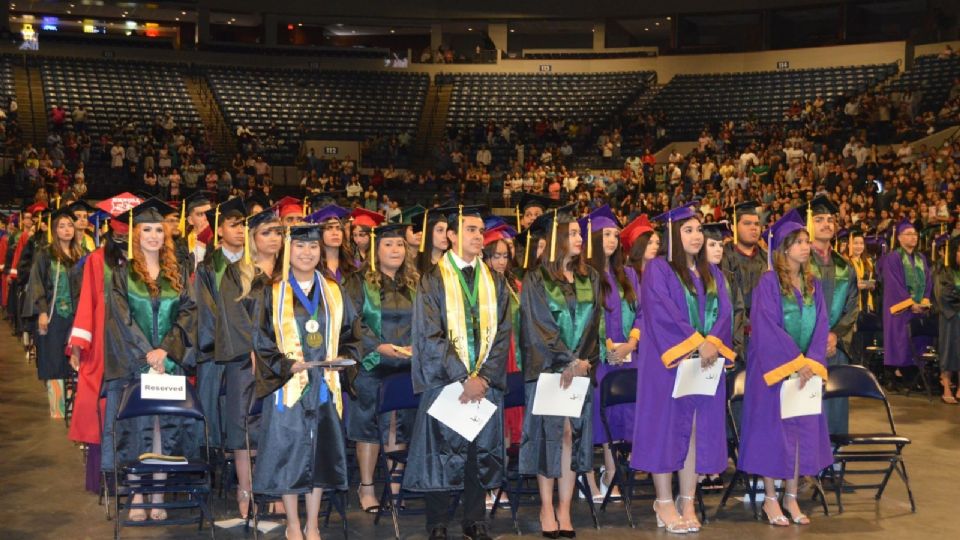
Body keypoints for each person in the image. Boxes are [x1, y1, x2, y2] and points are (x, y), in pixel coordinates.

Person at [404, 205, 511, 540]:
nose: (479, 236)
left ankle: (475, 520)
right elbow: (429, 334)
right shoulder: (432, 280)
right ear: (451, 235)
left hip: (484, 383)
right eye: (471, 230)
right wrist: (463, 377)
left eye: (481, 230)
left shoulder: (495, 280)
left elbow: (504, 332)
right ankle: (437, 522)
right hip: (446, 382)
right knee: (441, 453)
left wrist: (485, 378)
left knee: (476, 452)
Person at [251, 223, 364, 540]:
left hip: (325, 385)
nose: (307, 253)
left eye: (313, 247)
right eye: (300, 247)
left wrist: (344, 360)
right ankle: (293, 524)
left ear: (321, 251)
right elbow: (261, 341)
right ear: (288, 251)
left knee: (319, 455)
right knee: (290, 455)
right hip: (290, 386)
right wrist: (287, 364)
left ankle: (313, 524)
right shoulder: (272, 293)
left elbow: (353, 333)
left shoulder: (334, 291)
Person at [630, 203, 736, 534]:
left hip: (703, 365)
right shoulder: (659, 270)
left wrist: (712, 344)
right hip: (667, 365)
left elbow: (726, 314)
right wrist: (696, 343)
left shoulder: (713, 273)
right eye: (688, 230)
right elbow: (661, 314)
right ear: (674, 235)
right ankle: (663, 501)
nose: (696, 235)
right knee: (665, 429)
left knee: (695, 428)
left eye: (699, 229)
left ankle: (687, 500)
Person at [101, 198, 198, 522]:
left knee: (163, 428)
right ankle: (137, 493)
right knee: (134, 427)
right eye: (147, 229)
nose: (154, 235)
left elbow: (188, 314)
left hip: (168, 365)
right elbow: (120, 319)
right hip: (134, 363)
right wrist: (147, 355)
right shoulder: (121, 274)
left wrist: (166, 352)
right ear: (135, 234)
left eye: (159, 229)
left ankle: (157, 494)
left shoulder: (178, 273)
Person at [738, 210, 832, 527]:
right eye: (799, 242)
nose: (806, 247)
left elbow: (821, 324)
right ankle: (771, 499)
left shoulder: (812, 284)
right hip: (773, 372)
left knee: (800, 433)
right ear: (784, 248)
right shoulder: (768, 283)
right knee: (773, 434)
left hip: (804, 371)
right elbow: (766, 327)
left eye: (807, 241)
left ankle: (791, 497)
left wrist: (812, 361)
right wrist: (795, 361)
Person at [519, 206, 602, 538]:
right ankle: (545, 507)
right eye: (572, 233)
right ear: (555, 240)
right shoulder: (536, 279)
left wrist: (583, 362)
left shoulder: (590, 277)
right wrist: (567, 360)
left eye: (579, 233)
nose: (579, 238)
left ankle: (565, 509)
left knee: (572, 437)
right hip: (548, 371)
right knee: (549, 437)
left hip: (579, 371)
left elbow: (593, 324)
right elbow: (538, 325)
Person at [67, 193, 141, 495]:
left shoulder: (144, 257)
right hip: (104, 343)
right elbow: (88, 302)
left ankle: (140, 474)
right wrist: (78, 345)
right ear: (111, 226)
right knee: (105, 406)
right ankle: (109, 475)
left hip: (140, 344)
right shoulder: (97, 260)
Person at [345, 222, 417, 513]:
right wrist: (377, 346)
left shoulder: (414, 282)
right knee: (368, 426)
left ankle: (395, 487)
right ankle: (366, 487)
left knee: (399, 427)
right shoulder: (357, 281)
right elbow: (353, 321)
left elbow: (424, 319)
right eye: (388, 244)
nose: (395, 249)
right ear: (375, 249)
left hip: (405, 364)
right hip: (371, 364)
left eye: (399, 244)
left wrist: (414, 347)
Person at [215, 205, 283, 518]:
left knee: (277, 427)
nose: (274, 238)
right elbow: (233, 318)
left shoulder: (289, 272)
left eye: (278, 232)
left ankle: (274, 487)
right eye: (266, 232)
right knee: (244, 427)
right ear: (253, 238)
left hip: (283, 364)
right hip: (246, 363)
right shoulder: (236, 274)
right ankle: (245, 489)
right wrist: (256, 352)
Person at [581, 205, 641, 503]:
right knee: (597, 418)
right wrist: (606, 347)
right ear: (592, 237)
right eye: (606, 234)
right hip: (599, 360)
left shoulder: (628, 274)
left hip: (629, 357)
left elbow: (642, 313)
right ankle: (591, 476)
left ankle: (610, 473)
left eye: (616, 235)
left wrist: (631, 343)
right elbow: (587, 316)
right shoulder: (585, 275)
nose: (613, 240)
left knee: (620, 420)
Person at [194, 197, 248, 451]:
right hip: (215, 350)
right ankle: (211, 459)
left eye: (243, 225)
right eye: (233, 224)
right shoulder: (206, 268)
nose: (240, 230)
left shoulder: (255, 265)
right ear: (219, 229)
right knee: (211, 408)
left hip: (249, 352)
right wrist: (228, 338)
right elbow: (205, 310)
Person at [802, 196, 859, 434]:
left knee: (835, 405)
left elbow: (853, 305)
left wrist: (835, 334)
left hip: (835, 347)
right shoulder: (799, 262)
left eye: (830, 219)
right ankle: (805, 463)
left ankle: (833, 459)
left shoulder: (845, 266)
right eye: (819, 219)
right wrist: (814, 337)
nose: (826, 224)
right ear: (809, 223)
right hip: (804, 347)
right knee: (805, 404)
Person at [23, 207, 84, 418]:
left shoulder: (80, 256)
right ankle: (57, 408)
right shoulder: (46, 254)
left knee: (74, 358)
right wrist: (41, 311)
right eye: (61, 226)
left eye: (70, 225)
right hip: (52, 315)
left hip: (76, 316)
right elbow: (37, 283)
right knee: (53, 358)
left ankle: (74, 405)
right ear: (55, 230)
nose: (67, 230)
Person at [481, 223, 522, 508]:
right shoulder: (478, 286)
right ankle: (487, 484)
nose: (500, 261)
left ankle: (500, 480)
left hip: (514, 358)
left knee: (507, 426)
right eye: (495, 255)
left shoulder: (516, 285)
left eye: (504, 256)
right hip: (490, 359)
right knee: (488, 423)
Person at [878, 219, 933, 388]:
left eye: (915, 234)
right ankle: (894, 376)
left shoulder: (921, 258)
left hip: (918, 310)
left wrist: (923, 302)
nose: (913, 237)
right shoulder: (893, 258)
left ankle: (914, 377)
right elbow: (894, 284)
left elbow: (928, 281)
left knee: (917, 341)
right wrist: (910, 304)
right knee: (900, 341)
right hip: (900, 310)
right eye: (909, 234)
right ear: (899, 238)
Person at [721, 202, 767, 318]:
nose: (754, 228)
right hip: (733, 328)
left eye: (757, 224)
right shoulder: (721, 258)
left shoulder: (768, 259)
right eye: (747, 223)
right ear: (733, 226)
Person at [934, 235, 960, 403]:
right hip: (950, 317)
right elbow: (943, 295)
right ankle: (946, 387)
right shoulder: (943, 271)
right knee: (948, 350)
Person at [306, 205, 355, 285]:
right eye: (329, 228)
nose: (335, 233)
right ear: (320, 233)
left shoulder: (354, 266)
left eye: (338, 228)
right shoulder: (312, 268)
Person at [410, 207, 450, 275]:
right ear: (428, 232)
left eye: (447, 230)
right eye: (440, 230)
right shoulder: (414, 266)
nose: (445, 235)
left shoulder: (452, 263)